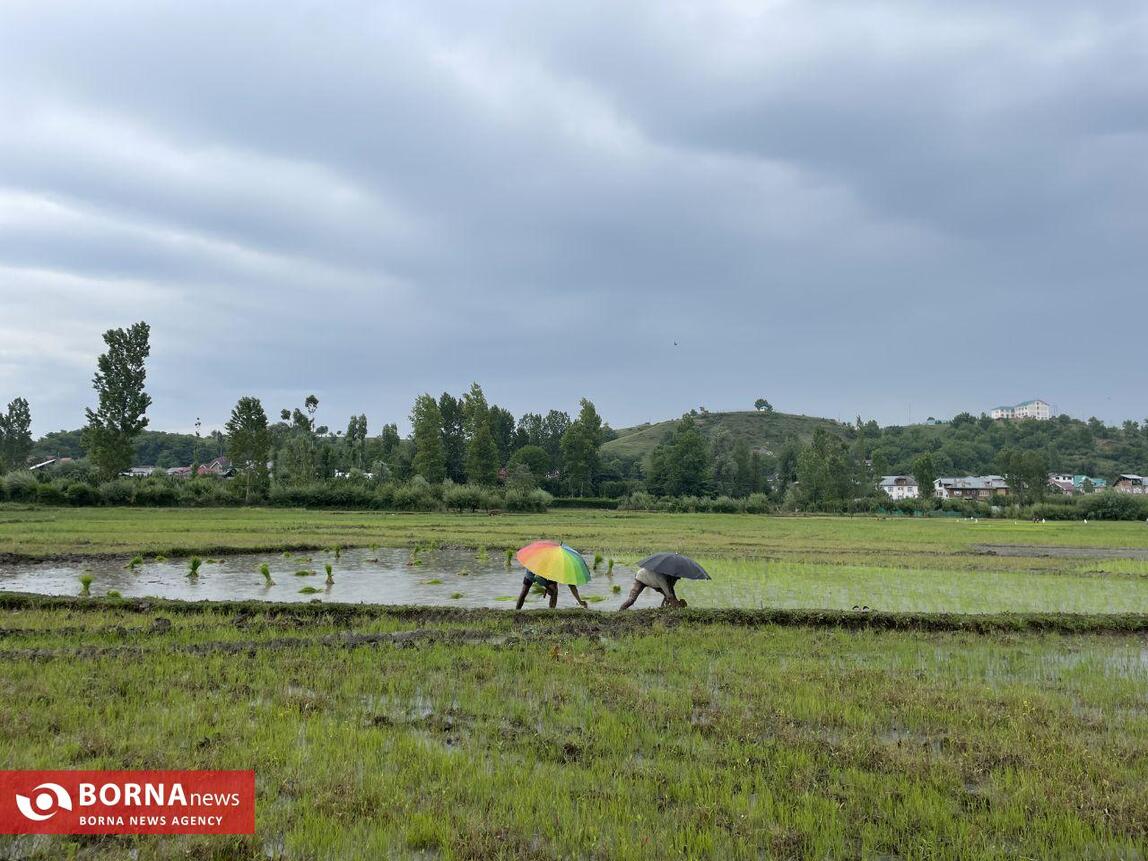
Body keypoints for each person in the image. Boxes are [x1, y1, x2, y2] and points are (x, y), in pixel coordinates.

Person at [619, 566, 687, 610]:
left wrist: (674, 599)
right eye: (676, 577)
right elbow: (669, 594)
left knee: (669, 594)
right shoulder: (662, 578)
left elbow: (671, 589)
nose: (677, 579)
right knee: (631, 600)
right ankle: (621, 610)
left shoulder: (669, 577)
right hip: (641, 577)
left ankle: (665, 608)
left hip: (653, 580)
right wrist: (675, 602)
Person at [515, 569, 588, 609]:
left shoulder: (561, 568)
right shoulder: (560, 567)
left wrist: (547, 587)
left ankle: (551, 612)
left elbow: (571, 586)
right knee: (554, 591)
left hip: (539, 569)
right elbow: (572, 586)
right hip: (535, 569)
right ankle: (551, 612)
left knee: (524, 591)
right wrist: (580, 601)